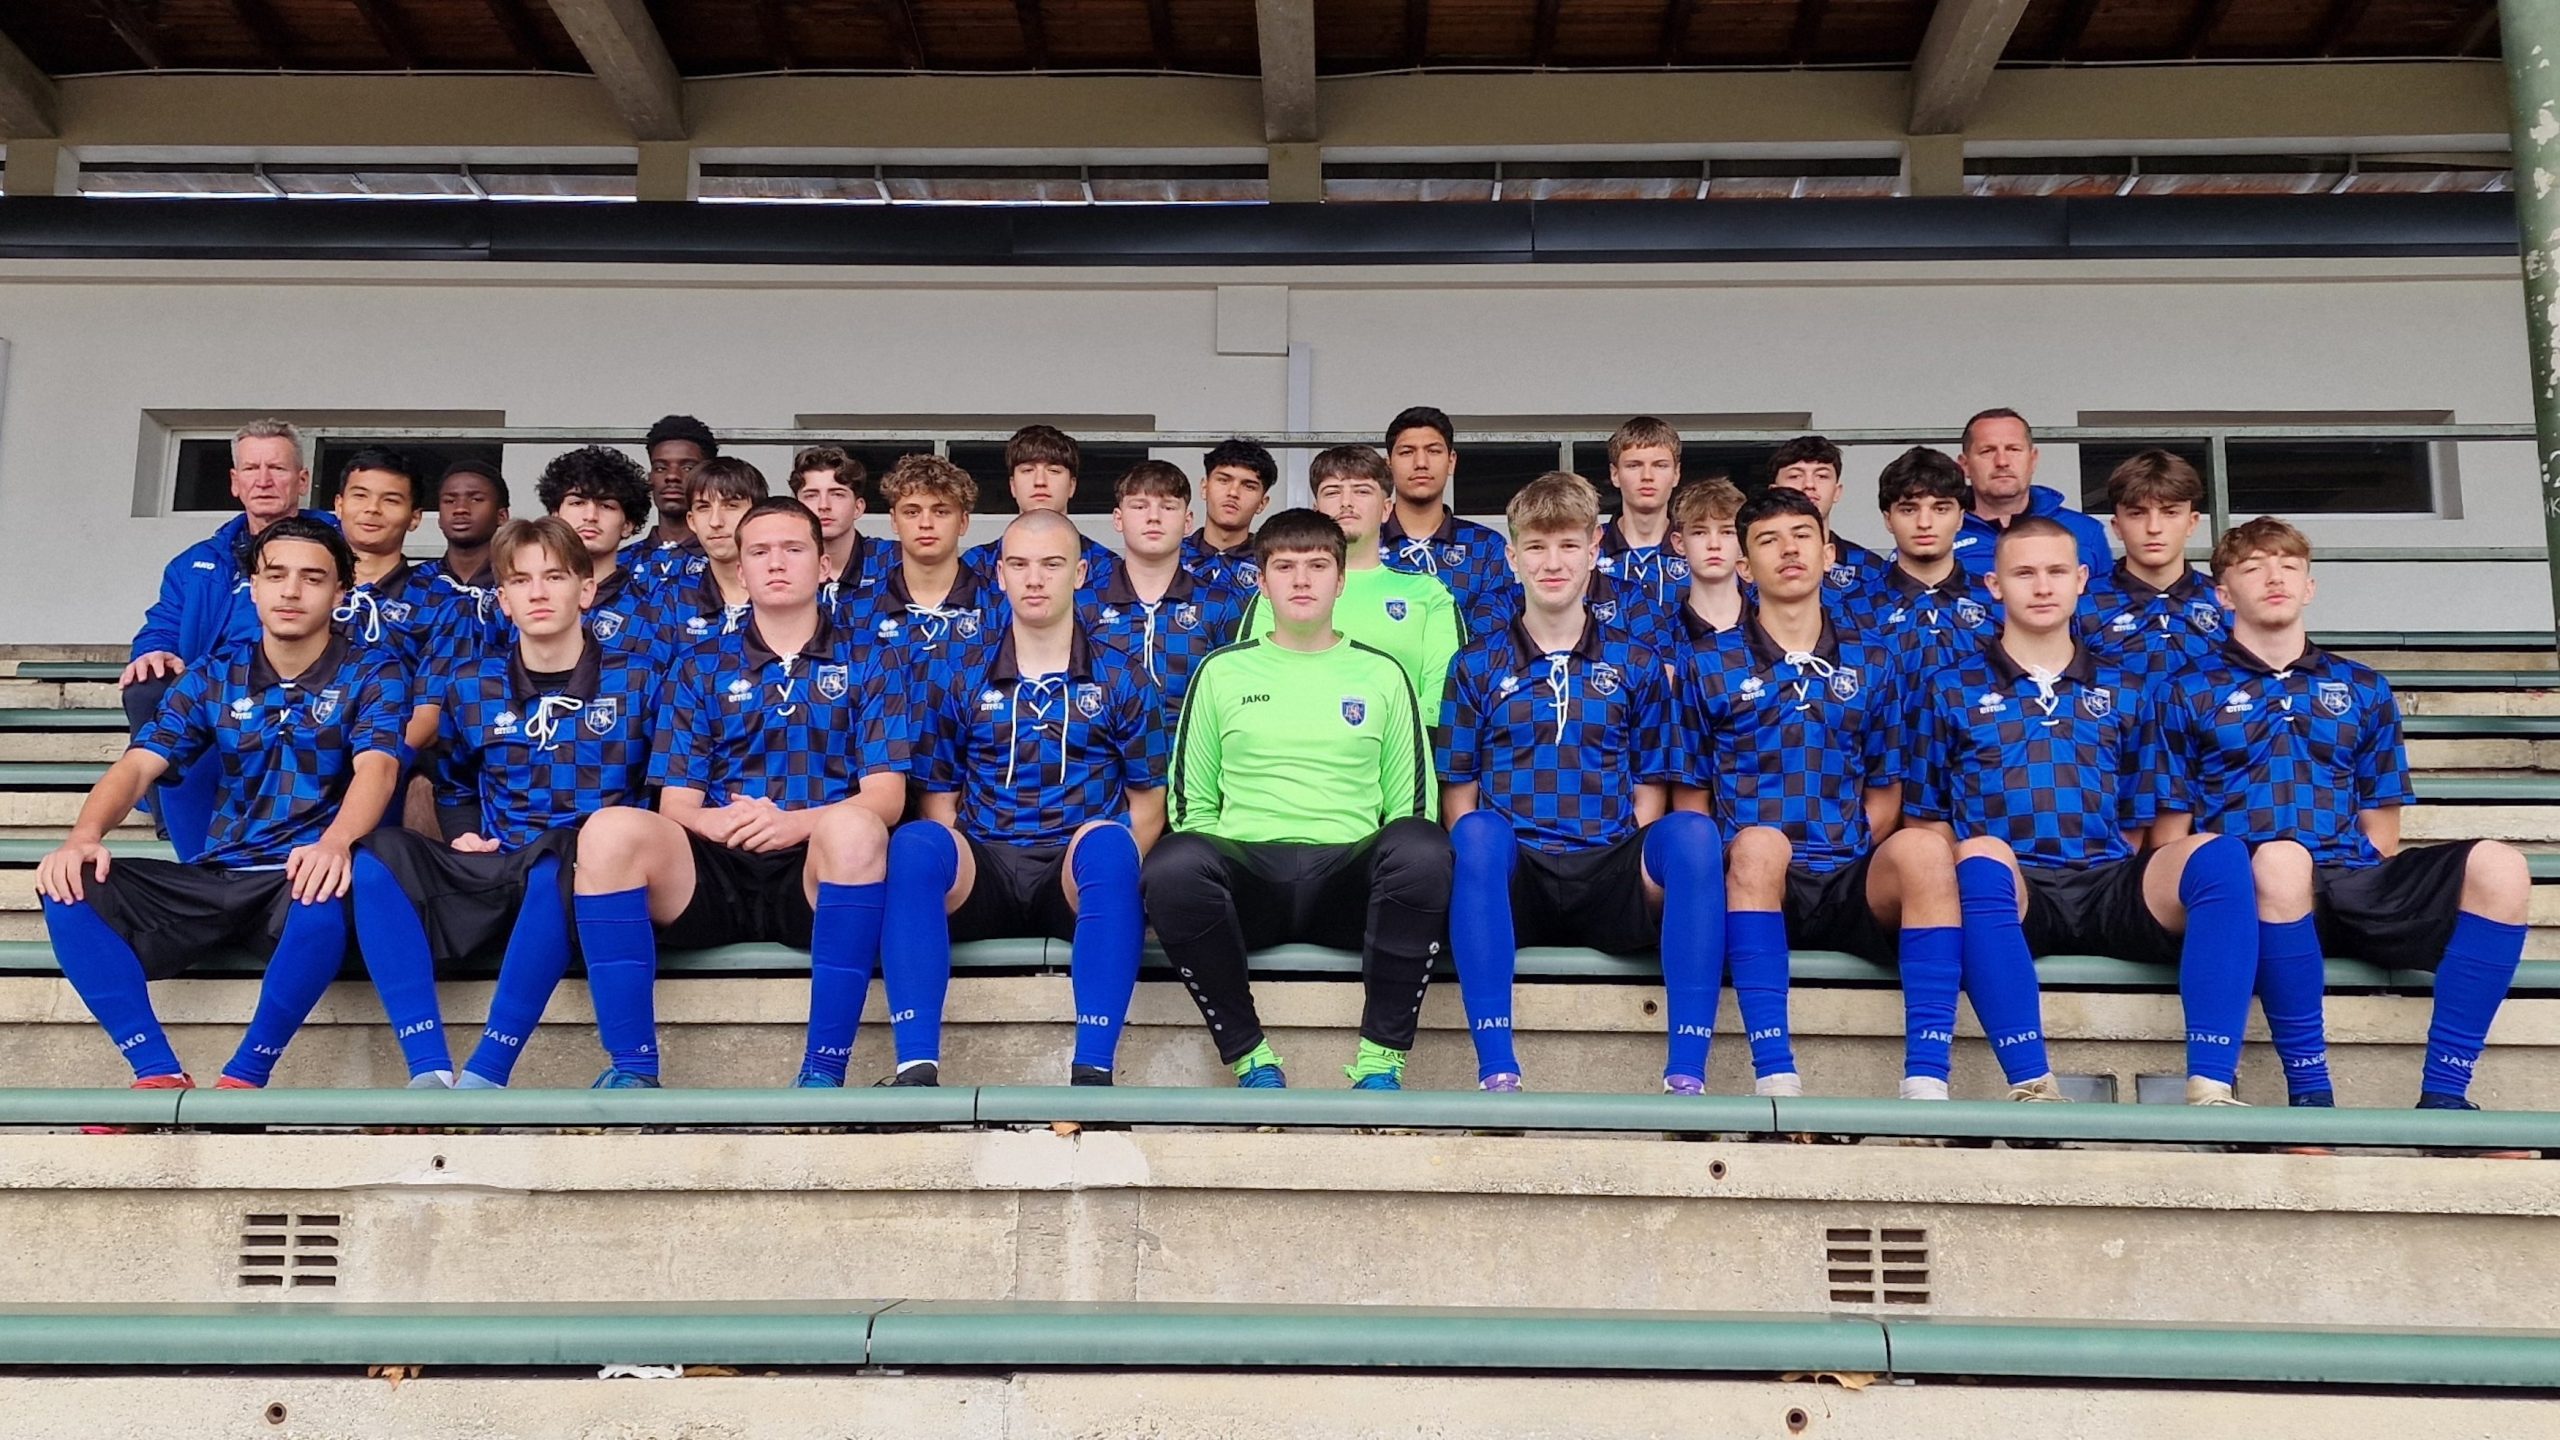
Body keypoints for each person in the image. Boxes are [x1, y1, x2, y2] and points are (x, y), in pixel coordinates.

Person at [2154, 518, 2530, 1111]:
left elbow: (2382, 825)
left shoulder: (2363, 686)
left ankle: (2446, 1094)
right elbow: (2172, 833)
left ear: (2310, 586)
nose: (2273, 577)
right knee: (2281, 860)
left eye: (2289, 566)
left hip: (2350, 878)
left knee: (2501, 866)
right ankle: (2311, 1097)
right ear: (2223, 594)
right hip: (2252, 891)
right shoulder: (2183, 689)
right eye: (2252, 567)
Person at [39, 517, 414, 1091]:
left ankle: (246, 1075)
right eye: (276, 575)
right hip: (219, 875)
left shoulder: (374, 670)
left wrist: (336, 842)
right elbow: (140, 763)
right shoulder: (216, 674)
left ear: (341, 595)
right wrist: (83, 837)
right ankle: (156, 1071)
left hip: (298, 881)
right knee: (66, 883)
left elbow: (379, 767)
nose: (291, 591)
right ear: (254, 586)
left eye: (313, 579)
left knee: (327, 884)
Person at [1907, 517, 2263, 1104]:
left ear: (2081, 581)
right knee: (1978, 856)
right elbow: (1926, 815)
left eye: (2055, 573)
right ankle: (2031, 1084)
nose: (2041, 587)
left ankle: (2211, 1085)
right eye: (2024, 573)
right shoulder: (1950, 686)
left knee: (2220, 854)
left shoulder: (2129, 687)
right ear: (1994, 585)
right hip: (2010, 890)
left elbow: (2147, 811)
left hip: (2108, 882)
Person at [568, 498, 911, 1089]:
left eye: (793, 549)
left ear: (824, 564)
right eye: (760, 552)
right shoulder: (697, 664)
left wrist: (797, 824)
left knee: (856, 828)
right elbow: (677, 804)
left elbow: (885, 795)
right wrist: (719, 823)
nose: (776, 563)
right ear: (741, 569)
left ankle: (823, 1074)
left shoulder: (873, 658)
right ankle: (631, 1070)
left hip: (815, 873)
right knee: (608, 830)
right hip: (715, 872)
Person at [1142, 509, 1452, 1091]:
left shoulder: (1384, 675)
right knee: (1174, 861)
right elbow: (1192, 806)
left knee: (1423, 846)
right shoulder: (1220, 672)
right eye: (1284, 566)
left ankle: (1381, 1064)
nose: (1301, 580)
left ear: (1341, 580)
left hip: (1348, 886)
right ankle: (1251, 1058)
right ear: (1262, 582)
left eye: (1317, 566)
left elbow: (1410, 804)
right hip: (1249, 880)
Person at [1676, 488, 1967, 1100]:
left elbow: (1886, 790)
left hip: (1847, 876)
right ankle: (1776, 1078)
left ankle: (1928, 1084)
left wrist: (1848, 843)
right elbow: (1691, 801)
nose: (1789, 550)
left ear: (1829, 552)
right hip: (1752, 878)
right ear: (1744, 566)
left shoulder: (1875, 659)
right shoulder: (1707, 662)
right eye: (1768, 540)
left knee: (1925, 852)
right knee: (1758, 845)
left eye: (1802, 536)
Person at [349, 517, 659, 1088]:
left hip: (590, 872)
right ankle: (427, 1069)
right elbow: (455, 782)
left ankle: (488, 1071)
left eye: (555, 577)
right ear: (504, 601)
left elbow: (661, 788)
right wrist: (463, 830)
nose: (538, 593)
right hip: (498, 858)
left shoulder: (642, 677)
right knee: (376, 855)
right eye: (520, 581)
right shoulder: (471, 684)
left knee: (560, 856)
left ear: (585, 590)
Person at [1441, 474, 1720, 1094]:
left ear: (1596, 551)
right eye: (1535, 548)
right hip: (1520, 878)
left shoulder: (1638, 661)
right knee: (1477, 831)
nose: (1552, 563)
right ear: (1511, 558)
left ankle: (1686, 1075)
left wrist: (1633, 874)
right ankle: (1497, 1071)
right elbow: (1458, 793)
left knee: (1695, 834)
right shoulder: (1475, 664)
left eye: (1568, 545)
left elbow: (1651, 782)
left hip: (1611, 869)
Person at [881, 511, 1166, 1087]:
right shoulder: (958, 671)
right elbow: (941, 798)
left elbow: (1149, 804)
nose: (1035, 578)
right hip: (986, 863)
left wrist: (1101, 874)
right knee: (915, 843)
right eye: (1020, 564)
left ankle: (1093, 1073)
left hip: (1072, 871)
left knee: (1112, 847)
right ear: (1000, 575)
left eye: (1052, 564)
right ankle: (915, 1066)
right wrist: (960, 856)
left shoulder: (1124, 674)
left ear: (1081, 573)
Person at [124, 418, 327, 860]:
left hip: (302, 680)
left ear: (302, 479)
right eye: (251, 469)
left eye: (277, 468)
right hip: (213, 687)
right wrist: (153, 651)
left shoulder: (334, 546)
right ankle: (170, 814)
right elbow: (161, 624)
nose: (264, 480)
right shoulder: (196, 562)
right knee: (146, 685)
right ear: (235, 483)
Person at [1239, 445, 1461, 737]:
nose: (1346, 502)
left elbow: (1442, 693)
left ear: (1386, 509)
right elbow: (1251, 679)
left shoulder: (1428, 592)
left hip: (1402, 750)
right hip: (1292, 746)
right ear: (1316, 509)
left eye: (1362, 491)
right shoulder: (1283, 589)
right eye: (1332, 491)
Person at [1088, 460, 1248, 736]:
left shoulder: (1220, 605)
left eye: (1168, 507)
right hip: (1103, 769)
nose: (1154, 517)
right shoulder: (1084, 603)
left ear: (1188, 521)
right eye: (1139, 506)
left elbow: (1237, 701)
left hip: (1189, 764)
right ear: (1118, 518)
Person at [841, 453, 1010, 691]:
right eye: (912, 512)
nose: (926, 523)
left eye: (941, 511)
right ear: (894, 521)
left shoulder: (1001, 608)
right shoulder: (853, 611)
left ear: (963, 522)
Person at [1837, 447, 2001, 681]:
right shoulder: (1852, 611)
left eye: (1940, 508)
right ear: (1888, 519)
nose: (1924, 522)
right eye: (1908, 509)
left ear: (1960, 518)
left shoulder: (1999, 603)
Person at [2079, 449, 2228, 691]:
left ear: (2192, 522)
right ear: (2117, 526)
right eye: (2137, 513)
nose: (2154, 527)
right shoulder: (2080, 605)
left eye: (2170, 512)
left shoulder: (2227, 602)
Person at [1378, 406, 1512, 637]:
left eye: (1433, 451)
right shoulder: (1365, 541)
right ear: (1388, 464)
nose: (1421, 462)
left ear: (1451, 462)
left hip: (1461, 673)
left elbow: (1494, 641)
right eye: (1407, 452)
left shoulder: (1486, 546)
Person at [960, 425, 1121, 595]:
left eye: (1053, 470)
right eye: (1028, 470)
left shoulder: (1106, 566)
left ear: (1072, 486)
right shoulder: (977, 564)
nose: (1040, 481)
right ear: (1013, 486)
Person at [633, 456, 765, 660]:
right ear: (691, 521)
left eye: (730, 505)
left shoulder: (788, 592)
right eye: (703, 507)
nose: (715, 521)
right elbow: (648, 678)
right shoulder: (671, 597)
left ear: (758, 516)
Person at [1950, 408, 2112, 573]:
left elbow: (2104, 596)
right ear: (1965, 465)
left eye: (2013, 449)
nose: (2002, 461)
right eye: (1987, 451)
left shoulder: (2087, 532)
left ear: (2033, 459)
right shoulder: (1941, 533)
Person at [536, 444, 656, 657]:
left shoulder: (652, 611)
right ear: (555, 515)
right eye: (577, 502)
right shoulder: (525, 600)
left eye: (606, 506)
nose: (590, 515)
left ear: (628, 524)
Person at [1590, 416, 1688, 653]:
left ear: (1676, 474)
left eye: (1660, 465)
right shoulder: (1586, 552)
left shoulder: (1700, 550)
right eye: (1634, 465)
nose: (1647, 476)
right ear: (1615, 474)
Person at [329, 448, 431, 670]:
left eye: (391, 500)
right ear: (339, 505)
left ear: (415, 517)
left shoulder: (439, 601)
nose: (372, 509)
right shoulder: (304, 589)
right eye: (360, 496)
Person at [1765, 435, 1891, 605]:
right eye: (1795, 476)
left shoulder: (1870, 568)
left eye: (1822, 476)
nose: (1809, 484)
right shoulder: (1757, 564)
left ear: (1837, 491)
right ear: (1774, 491)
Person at [793, 445, 890, 613]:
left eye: (837, 494)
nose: (823, 506)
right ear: (795, 507)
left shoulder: (893, 560)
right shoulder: (781, 564)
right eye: (811, 495)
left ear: (858, 508)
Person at [627, 414, 719, 590]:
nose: (672, 476)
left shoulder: (727, 564)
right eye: (661, 468)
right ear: (650, 477)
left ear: (708, 476)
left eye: (687, 468)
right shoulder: (620, 565)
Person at [1183, 438, 1276, 592]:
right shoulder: (1171, 556)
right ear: (1204, 488)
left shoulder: (1271, 563)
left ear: (1262, 503)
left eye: (1248, 486)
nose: (1233, 493)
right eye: (1224, 480)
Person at [1666, 477, 1749, 647]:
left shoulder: (1770, 625)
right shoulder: (1663, 634)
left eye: (1727, 532)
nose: (1714, 545)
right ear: (1679, 543)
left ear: (1744, 540)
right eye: (1699, 532)